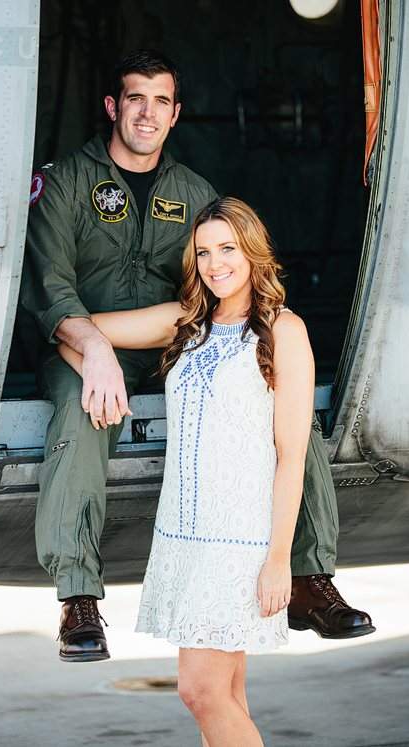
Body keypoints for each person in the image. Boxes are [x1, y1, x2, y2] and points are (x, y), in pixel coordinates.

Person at [20, 49, 374, 662]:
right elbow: (51, 292)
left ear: (176, 113)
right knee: (82, 413)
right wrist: (94, 346)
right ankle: (78, 597)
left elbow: (214, 285)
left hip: (177, 342)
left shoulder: (193, 192)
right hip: (83, 344)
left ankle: (310, 580)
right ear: (113, 106)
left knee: (287, 412)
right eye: (135, 98)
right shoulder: (64, 183)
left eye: (160, 101)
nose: (147, 112)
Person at [60, 197, 300, 745]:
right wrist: (100, 365)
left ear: (253, 251)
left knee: (200, 691)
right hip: (183, 534)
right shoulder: (184, 324)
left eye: (228, 249)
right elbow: (73, 328)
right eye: (203, 252)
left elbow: (291, 455)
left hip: (239, 538)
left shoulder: (283, 330)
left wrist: (280, 560)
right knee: (227, 692)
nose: (216, 264)